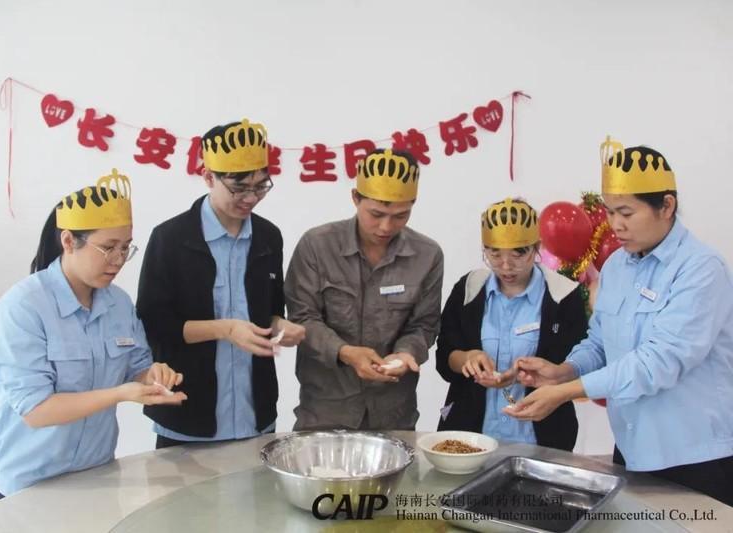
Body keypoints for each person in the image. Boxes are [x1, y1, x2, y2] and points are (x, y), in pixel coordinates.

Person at [506, 137, 733, 505]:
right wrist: (563, 371)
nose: (615, 225)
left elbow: (658, 362)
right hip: (632, 446)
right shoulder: (616, 267)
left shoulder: (701, 270)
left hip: (693, 454)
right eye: (610, 212)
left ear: (667, 206)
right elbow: (600, 341)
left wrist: (566, 392)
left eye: (626, 213)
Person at [0, 170, 186, 501]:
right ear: (68, 241)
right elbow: (37, 410)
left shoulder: (119, 304)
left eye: (126, 248)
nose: (119, 260)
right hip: (27, 482)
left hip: (96, 474)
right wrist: (120, 394)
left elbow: (136, 367)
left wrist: (154, 376)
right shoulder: (22, 308)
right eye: (108, 248)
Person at [137, 119, 304, 448]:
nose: (251, 198)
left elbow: (269, 312)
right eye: (239, 188)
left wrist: (280, 326)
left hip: (255, 413)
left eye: (261, 186)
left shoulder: (268, 237)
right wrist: (225, 329)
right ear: (208, 176)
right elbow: (154, 326)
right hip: (187, 415)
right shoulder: (170, 239)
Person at [285, 148, 444, 430]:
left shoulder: (427, 255)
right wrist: (345, 352)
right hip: (326, 408)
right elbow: (302, 317)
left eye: (400, 215)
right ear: (355, 198)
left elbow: (424, 324)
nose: (386, 226)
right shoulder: (318, 245)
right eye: (376, 214)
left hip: (394, 410)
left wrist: (406, 353)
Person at [435, 198, 587, 450]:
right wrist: (467, 359)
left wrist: (533, 374)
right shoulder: (469, 288)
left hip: (540, 438)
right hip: (471, 436)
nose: (506, 266)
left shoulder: (563, 295)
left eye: (518, 253)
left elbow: (578, 367)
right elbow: (445, 357)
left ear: (536, 247)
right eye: (494, 253)